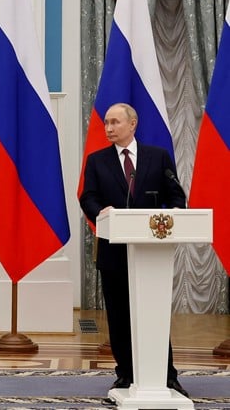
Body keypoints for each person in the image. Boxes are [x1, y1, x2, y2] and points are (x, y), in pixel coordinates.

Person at [79, 102, 188, 398]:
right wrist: (103, 211)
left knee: (152, 314)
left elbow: (177, 197)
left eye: (115, 122)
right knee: (119, 315)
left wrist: (171, 219)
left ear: (132, 124)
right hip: (114, 252)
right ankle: (125, 375)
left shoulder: (158, 157)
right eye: (106, 123)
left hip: (151, 253)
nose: (109, 128)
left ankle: (167, 376)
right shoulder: (97, 160)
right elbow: (87, 197)